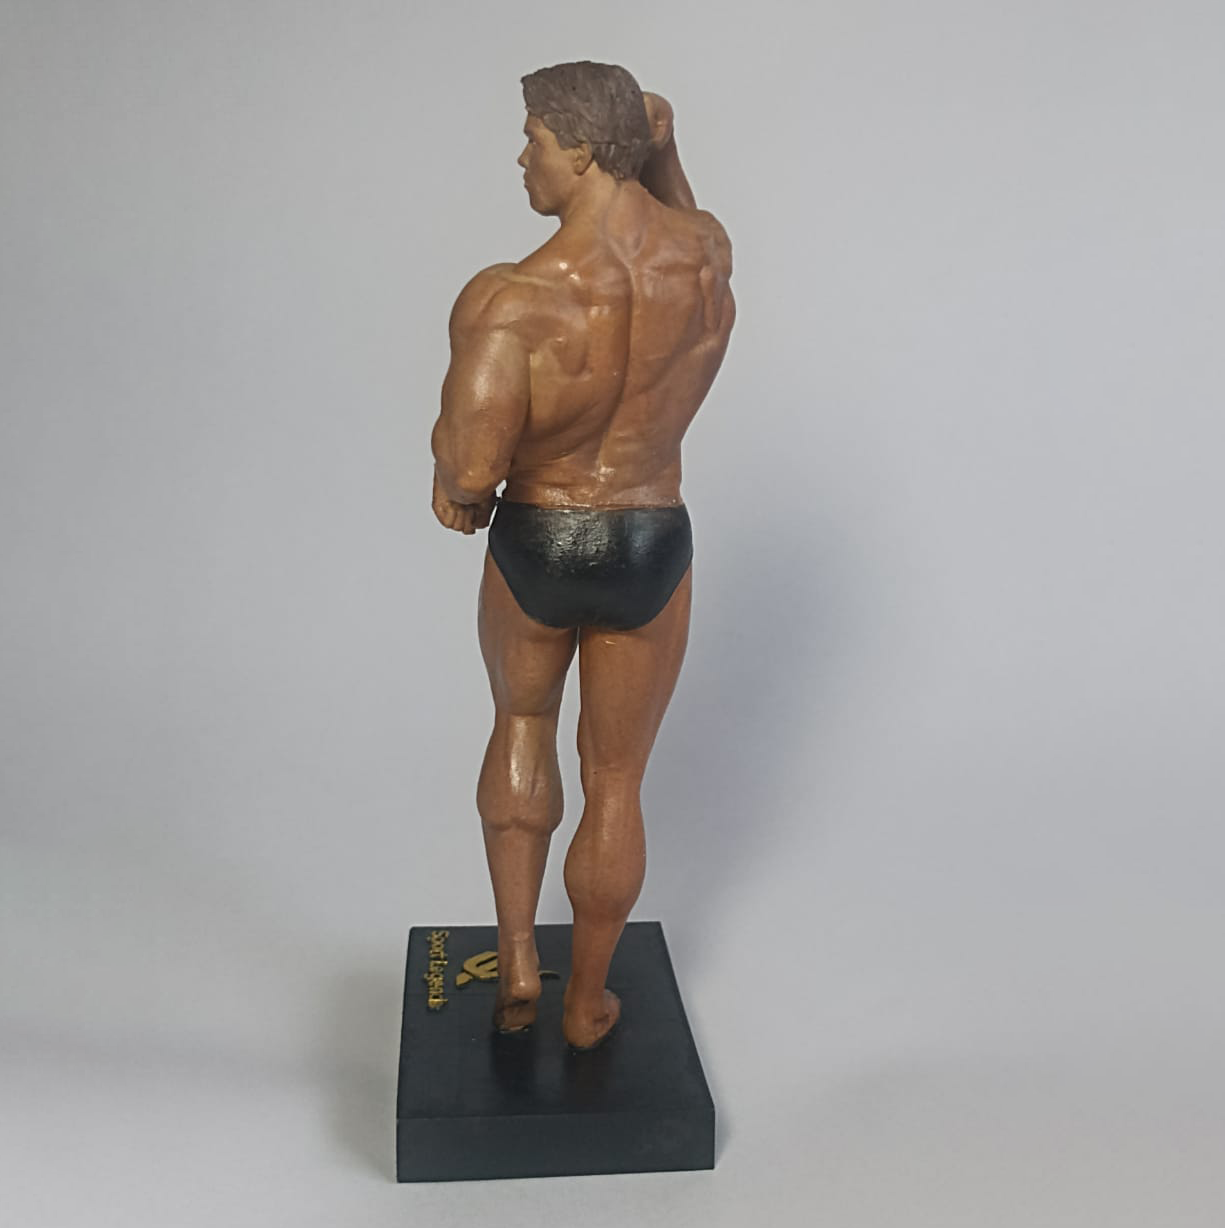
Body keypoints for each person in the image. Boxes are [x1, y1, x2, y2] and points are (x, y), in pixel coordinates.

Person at [430, 61, 735, 1049]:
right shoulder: (702, 258)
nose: (521, 159)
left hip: (541, 536)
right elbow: (689, 230)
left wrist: (454, 481)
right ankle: (587, 1001)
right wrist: (664, 150)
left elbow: (470, 466)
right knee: (616, 780)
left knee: (522, 723)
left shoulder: (511, 297)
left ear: (583, 148)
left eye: (534, 140)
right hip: (649, 536)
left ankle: (520, 960)